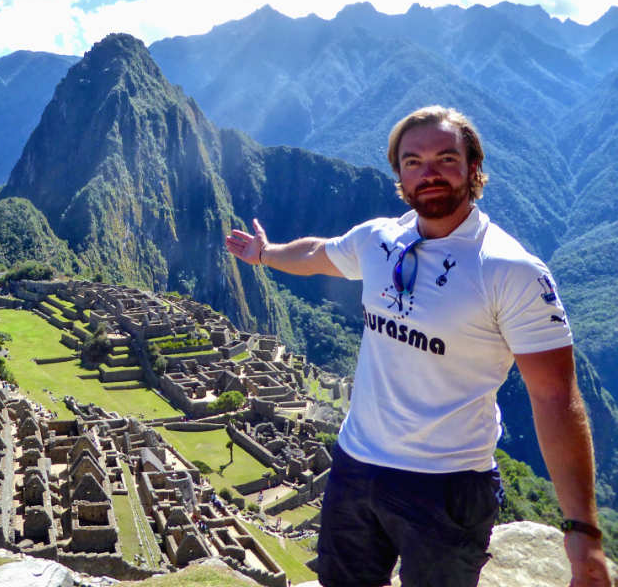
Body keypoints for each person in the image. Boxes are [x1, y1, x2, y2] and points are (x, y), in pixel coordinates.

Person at [224, 106, 610, 587]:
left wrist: (582, 531)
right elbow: (318, 254)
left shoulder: (511, 271)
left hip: (448, 486)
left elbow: (555, 398)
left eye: (446, 158)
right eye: (413, 162)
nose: (429, 173)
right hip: (356, 466)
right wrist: (265, 254)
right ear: (399, 176)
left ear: (473, 167)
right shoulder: (378, 239)